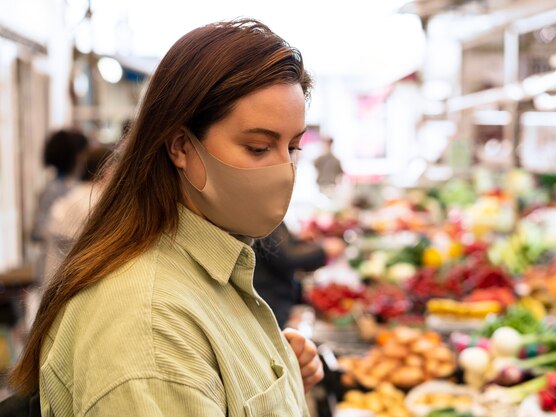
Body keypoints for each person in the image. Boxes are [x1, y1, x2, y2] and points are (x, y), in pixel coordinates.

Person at [9, 19, 323, 416]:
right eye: (259, 147)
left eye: (293, 147)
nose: (284, 170)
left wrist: (276, 371)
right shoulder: (147, 330)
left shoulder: (210, 264)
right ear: (180, 147)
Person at [43, 146, 113, 285]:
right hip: (80, 288)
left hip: (55, 285)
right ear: (105, 171)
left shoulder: (72, 196)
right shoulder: (97, 202)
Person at [254, 222, 345, 328]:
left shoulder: (264, 215)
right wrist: (323, 249)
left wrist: (299, 241)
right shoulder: (265, 214)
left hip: (271, 296)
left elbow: (278, 248)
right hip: (270, 297)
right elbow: (286, 256)